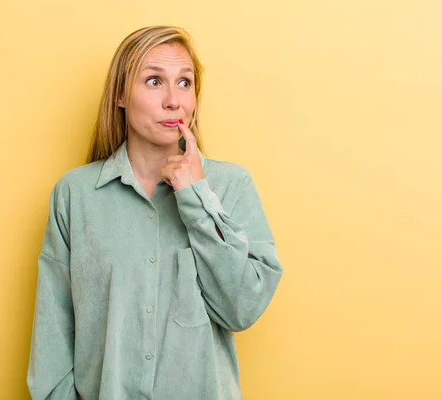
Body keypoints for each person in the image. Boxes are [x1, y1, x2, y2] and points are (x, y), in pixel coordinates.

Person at [27, 25, 283, 400]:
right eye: (153, 81)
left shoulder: (231, 187)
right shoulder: (75, 195)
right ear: (120, 95)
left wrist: (196, 197)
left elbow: (241, 309)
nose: (173, 101)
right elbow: (53, 335)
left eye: (184, 83)